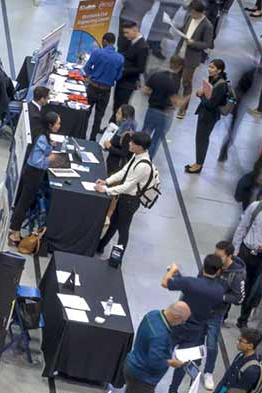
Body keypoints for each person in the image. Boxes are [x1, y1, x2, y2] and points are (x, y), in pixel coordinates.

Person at [162, 255, 229, 393]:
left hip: (177, 324)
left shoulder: (190, 283)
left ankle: (153, 377)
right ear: (218, 271)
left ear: (203, 267)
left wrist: (172, 270)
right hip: (196, 330)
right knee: (182, 360)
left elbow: (166, 283)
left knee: (163, 351)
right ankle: (173, 391)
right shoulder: (219, 291)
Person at [122, 301, 191, 393]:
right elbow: (155, 363)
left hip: (132, 363)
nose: (181, 324)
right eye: (182, 321)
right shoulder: (160, 336)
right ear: (176, 317)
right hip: (143, 379)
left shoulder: (153, 314)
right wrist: (172, 362)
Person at [94, 132, 156, 260]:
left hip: (130, 201)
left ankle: (117, 258)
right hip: (124, 198)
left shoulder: (143, 166)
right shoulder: (136, 156)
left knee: (123, 230)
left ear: (140, 147)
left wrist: (106, 189)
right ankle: (100, 246)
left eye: (132, 142)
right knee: (113, 224)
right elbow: (123, 172)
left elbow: (127, 186)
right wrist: (107, 181)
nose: (129, 143)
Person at [8, 111, 60, 239]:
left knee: (25, 201)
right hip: (33, 174)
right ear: (50, 125)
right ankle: (14, 231)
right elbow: (38, 161)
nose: (59, 126)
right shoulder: (42, 138)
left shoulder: (44, 135)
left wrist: (50, 146)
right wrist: (51, 159)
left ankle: (14, 227)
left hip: (33, 173)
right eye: (58, 123)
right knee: (24, 203)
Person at [171, 2, 214, 121]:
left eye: (194, 13)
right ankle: (172, 102)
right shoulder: (189, 17)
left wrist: (193, 43)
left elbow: (207, 44)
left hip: (191, 58)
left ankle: (183, 108)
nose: (192, 14)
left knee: (186, 82)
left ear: (201, 12)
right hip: (180, 53)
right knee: (175, 78)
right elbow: (184, 31)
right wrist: (175, 27)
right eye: (191, 12)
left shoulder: (207, 26)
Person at [185, 58, 228, 173]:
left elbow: (211, 104)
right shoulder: (213, 79)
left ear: (219, 70)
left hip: (209, 116)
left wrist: (201, 95)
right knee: (200, 139)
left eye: (212, 67)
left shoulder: (221, 85)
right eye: (209, 66)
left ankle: (199, 164)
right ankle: (198, 162)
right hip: (204, 114)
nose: (209, 69)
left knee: (202, 140)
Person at [83, 32, 124, 139]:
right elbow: (118, 77)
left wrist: (92, 75)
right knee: (99, 117)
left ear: (105, 41)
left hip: (92, 87)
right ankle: (92, 138)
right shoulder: (120, 58)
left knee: (85, 113)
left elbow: (87, 68)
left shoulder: (97, 52)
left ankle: (81, 135)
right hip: (106, 91)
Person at [139, 56, 181, 155]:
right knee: (156, 140)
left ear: (169, 63)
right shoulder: (175, 80)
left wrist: (155, 93)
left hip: (152, 110)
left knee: (144, 135)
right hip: (165, 114)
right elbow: (175, 102)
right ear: (180, 67)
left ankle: (136, 157)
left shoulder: (156, 75)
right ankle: (147, 160)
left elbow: (145, 90)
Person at [212, 328, 262, 393]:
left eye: (241, 341)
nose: (237, 342)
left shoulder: (252, 370)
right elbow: (227, 376)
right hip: (224, 391)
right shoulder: (240, 355)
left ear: (250, 346)